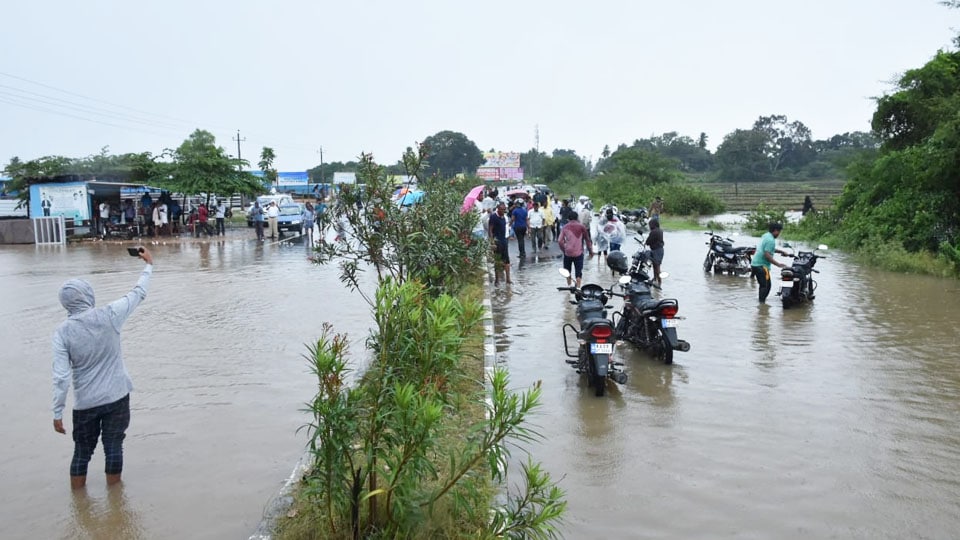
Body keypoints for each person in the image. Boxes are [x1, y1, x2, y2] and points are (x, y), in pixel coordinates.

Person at [52, 246, 154, 489]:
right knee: (113, 446)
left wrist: (57, 412)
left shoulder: (62, 333)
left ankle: (79, 504)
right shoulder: (110, 315)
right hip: (117, 396)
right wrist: (148, 264)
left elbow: (61, 377)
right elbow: (138, 293)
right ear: (88, 295)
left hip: (85, 403)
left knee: (81, 453)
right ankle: (116, 501)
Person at [750, 222, 790, 303]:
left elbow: (767, 249)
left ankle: (761, 304)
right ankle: (762, 306)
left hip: (755, 264)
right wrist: (778, 264)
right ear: (775, 230)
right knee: (765, 286)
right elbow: (767, 255)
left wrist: (780, 251)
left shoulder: (766, 235)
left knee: (765, 285)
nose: (779, 234)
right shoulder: (770, 240)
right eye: (779, 232)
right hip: (761, 266)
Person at [557, 210, 593, 288]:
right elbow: (587, 240)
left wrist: (564, 250)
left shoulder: (565, 227)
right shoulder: (582, 227)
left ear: (568, 218)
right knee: (578, 271)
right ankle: (578, 288)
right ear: (577, 218)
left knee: (567, 271)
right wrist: (590, 251)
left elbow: (560, 241)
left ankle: (570, 286)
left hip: (568, 253)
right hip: (579, 253)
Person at [489, 201, 511, 285]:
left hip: (504, 240)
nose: (503, 211)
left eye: (504, 209)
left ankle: (508, 279)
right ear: (498, 209)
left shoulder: (504, 217)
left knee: (507, 261)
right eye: (501, 209)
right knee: (498, 260)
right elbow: (490, 230)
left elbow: (505, 229)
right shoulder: (493, 217)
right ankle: (497, 280)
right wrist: (492, 242)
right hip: (497, 241)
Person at [645, 217, 665, 286]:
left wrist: (646, 242)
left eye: (650, 224)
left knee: (657, 267)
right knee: (655, 266)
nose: (649, 226)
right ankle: (655, 279)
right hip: (659, 250)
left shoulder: (654, 232)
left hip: (656, 251)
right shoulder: (660, 230)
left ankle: (659, 282)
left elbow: (648, 241)